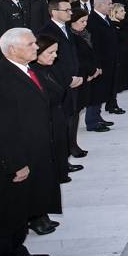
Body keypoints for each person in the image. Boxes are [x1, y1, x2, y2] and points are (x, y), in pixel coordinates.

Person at [0, 28, 57, 256]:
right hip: (15, 160)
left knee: (24, 208)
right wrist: (16, 164)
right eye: (31, 44)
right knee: (8, 214)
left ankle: (18, 251)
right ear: (12, 50)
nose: (37, 47)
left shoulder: (25, 70)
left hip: (32, 153)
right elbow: (1, 129)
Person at [30, 35, 80, 188]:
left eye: (55, 52)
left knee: (61, 142)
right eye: (50, 52)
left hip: (58, 113)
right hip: (47, 117)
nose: (55, 56)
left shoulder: (51, 67)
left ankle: (62, 169)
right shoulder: (34, 71)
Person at [39, 0, 84, 163]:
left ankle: (72, 146)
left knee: (73, 114)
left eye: (70, 10)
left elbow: (72, 55)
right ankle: (62, 157)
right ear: (54, 12)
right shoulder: (47, 31)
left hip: (73, 78)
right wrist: (67, 79)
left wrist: (77, 75)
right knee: (62, 119)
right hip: (61, 81)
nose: (70, 13)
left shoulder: (66, 29)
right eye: (66, 10)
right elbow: (50, 62)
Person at [85, 0, 117, 131]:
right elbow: (94, 46)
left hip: (108, 61)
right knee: (95, 92)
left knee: (102, 91)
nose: (111, 6)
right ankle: (91, 122)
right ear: (99, 5)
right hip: (99, 63)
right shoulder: (92, 21)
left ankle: (97, 117)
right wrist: (96, 65)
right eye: (109, 4)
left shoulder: (105, 18)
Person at [69, 9, 101, 141]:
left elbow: (92, 52)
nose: (84, 24)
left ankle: (96, 118)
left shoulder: (85, 33)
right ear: (72, 22)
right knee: (76, 108)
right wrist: (90, 72)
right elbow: (79, 58)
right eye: (81, 21)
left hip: (91, 71)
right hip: (81, 75)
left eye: (86, 21)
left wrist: (96, 68)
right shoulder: (71, 37)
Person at [107, 3, 128, 114]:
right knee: (114, 81)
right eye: (121, 11)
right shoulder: (113, 26)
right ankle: (112, 104)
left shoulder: (122, 24)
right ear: (114, 13)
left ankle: (110, 102)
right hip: (117, 58)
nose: (124, 12)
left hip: (123, 57)